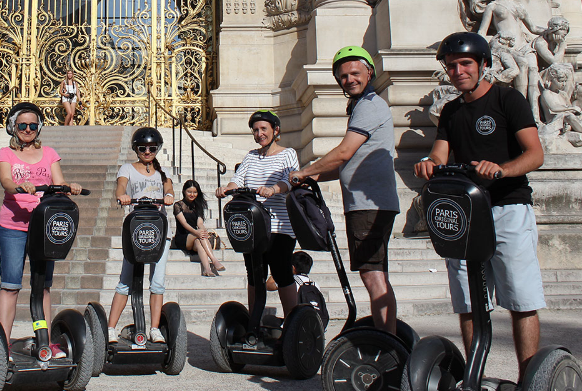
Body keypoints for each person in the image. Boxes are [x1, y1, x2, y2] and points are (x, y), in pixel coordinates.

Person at [414, 32, 545, 384]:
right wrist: (429, 163)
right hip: (464, 215)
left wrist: (502, 168)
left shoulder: (508, 99)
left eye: (465, 64)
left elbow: (535, 153)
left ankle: (529, 378)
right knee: (470, 304)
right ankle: (476, 379)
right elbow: (440, 152)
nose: (458, 71)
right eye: (452, 66)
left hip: (508, 207)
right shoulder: (452, 111)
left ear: (483, 64)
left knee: (520, 299)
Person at [288, 46, 400, 334]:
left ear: (369, 73)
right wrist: (312, 178)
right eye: (342, 76)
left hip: (368, 204)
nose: (349, 79)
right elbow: (345, 165)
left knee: (373, 276)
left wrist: (305, 170)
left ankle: (388, 343)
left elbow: (343, 153)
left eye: (354, 73)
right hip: (366, 202)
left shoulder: (369, 105)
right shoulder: (362, 106)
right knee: (376, 275)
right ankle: (388, 337)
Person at [0, 101, 83, 360]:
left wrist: (70, 187)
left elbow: (59, 183)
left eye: (33, 125)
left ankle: (45, 341)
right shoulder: (5, 154)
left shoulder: (49, 153)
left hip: (43, 227)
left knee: (43, 287)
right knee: (11, 285)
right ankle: (3, 344)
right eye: (22, 125)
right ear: (13, 126)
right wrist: (21, 185)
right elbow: (6, 181)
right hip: (13, 226)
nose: (28, 129)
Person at [217, 109, 300, 319]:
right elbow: (238, 178)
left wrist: (273, 189)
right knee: (255, 274)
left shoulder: (288, 153)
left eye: (264, 129)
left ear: (275, 130)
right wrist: (227, 189)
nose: (259, 133)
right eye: (255, 130)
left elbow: (290, 180)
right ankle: (255, 324)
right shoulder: (251, 156)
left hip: (280, 226)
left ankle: (293, 322)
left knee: (281, 272)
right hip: (254, 226)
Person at [107, 127, 175, 344]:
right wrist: (122, 196)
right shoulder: (128, 168)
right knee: (126, 280)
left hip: (160, 231)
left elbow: (169, 189)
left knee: (157, 282)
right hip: (136, 230)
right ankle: (110, 328)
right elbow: (121, 187)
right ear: (136, 148)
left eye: (152, 148)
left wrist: (170, 196)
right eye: (143, 148)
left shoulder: (162, 172)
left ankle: (154, 329)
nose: (147, 151)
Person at [173, 179, 224, 277]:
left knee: (198, 241)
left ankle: (207, 269)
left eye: (195, 192)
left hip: (196, 237)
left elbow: (200, 223)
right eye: (189, 192)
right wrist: (197, 233)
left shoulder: (198, 205)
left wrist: (202, 231)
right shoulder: (178, 205)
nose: (192, 194)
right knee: (200, 236)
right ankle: (214, 260)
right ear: (184, 191)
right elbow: (184, 224)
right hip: (183, 236)